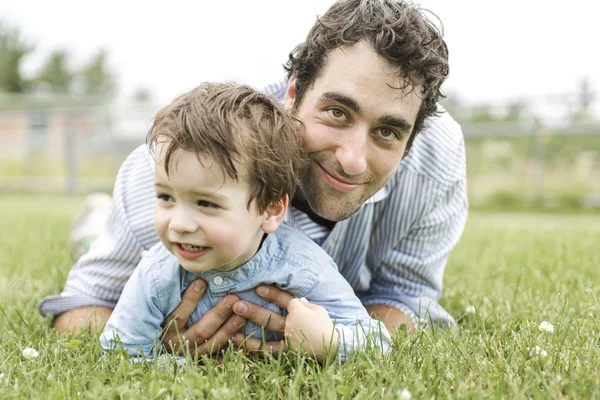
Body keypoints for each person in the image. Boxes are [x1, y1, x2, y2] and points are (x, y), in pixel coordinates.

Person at [39, 0, 468, 356]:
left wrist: (334, 341)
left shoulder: (436, 159)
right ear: (294, 93)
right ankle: (95, 225)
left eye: (388, 132)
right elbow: (80, 310)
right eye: (337, 112)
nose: (353, 160)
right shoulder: (176, 168)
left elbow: (406, 297)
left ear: (412, 138)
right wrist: (153, 343)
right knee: (103, 246)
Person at [99, 83, 389, 362]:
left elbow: (379, 344)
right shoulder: (156, 273)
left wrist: (330, 341)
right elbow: (120, 351)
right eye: (166, 197)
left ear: (271, 211)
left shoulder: (305, 268)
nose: (180, 224)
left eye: (205, 203)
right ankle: (92, 223)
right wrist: (177, 367)